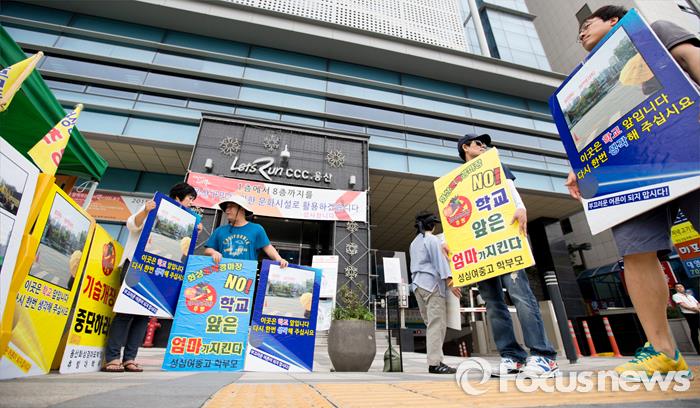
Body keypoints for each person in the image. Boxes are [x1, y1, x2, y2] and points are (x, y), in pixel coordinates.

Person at [566, 5, 699, 379]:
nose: (581, 32)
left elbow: (691, 57)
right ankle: (664, 352)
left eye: (587, 24)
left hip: (690, 144)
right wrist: (581, 166)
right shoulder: (594, 74)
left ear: (613, 20)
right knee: (635, 251)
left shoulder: (653, 30)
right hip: (635, 167)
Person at [454, 133, 559, 378]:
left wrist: (520, 207)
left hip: (504, 241)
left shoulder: (495, 164)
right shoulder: (458, 181)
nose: (483, 146)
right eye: (478, 143)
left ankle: (543, 356)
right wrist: (451, 242)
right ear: (465, 147)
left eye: (485, 143)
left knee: (520, 295)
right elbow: (458, 216)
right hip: (481, 248)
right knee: (492, 303)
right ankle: (512, 357)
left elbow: (510, 189)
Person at [104, 182, 199, 373]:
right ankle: (112, 357)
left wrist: (194, 230)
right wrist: (146, 211)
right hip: (136, 265)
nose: (191, 203)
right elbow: (132, 225)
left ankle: (129, 358)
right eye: (190, 198)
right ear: (178, 196)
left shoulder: (186, 219)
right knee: (125, 311)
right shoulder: (155, 205)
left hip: (157, 270)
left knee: (143, 315)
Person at [409, 211, 461, 374]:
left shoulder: (414, 243)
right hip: (431, 285)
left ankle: (436, 360)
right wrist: (450, 281)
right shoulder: (432, 239)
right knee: (437, 325)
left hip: (417, 286)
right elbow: (440, 262)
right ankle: (435, 363)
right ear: (432, 225)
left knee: (431, 325)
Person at [204, 195, 288, 268]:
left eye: (230, 207)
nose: (227, 210)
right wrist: (213, 252)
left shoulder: (256, 229)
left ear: (241, 209)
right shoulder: (220, 230)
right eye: (226, 208)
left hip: (246, 275)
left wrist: (279, 259)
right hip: (222, 273)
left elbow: (268, 248)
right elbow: (208, 249)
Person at [672, 283, 700, 355]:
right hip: (689, 315)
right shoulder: (676, 296)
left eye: (681, 286)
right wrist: (694, 309)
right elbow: (682, 305)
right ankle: (698, 350)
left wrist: (697, 308)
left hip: (697, 313)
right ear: (675, 289)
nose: (680, 288)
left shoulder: (690, 296)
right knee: (694, 331)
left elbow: (697, 303)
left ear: (683, 287)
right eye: (678, 287)